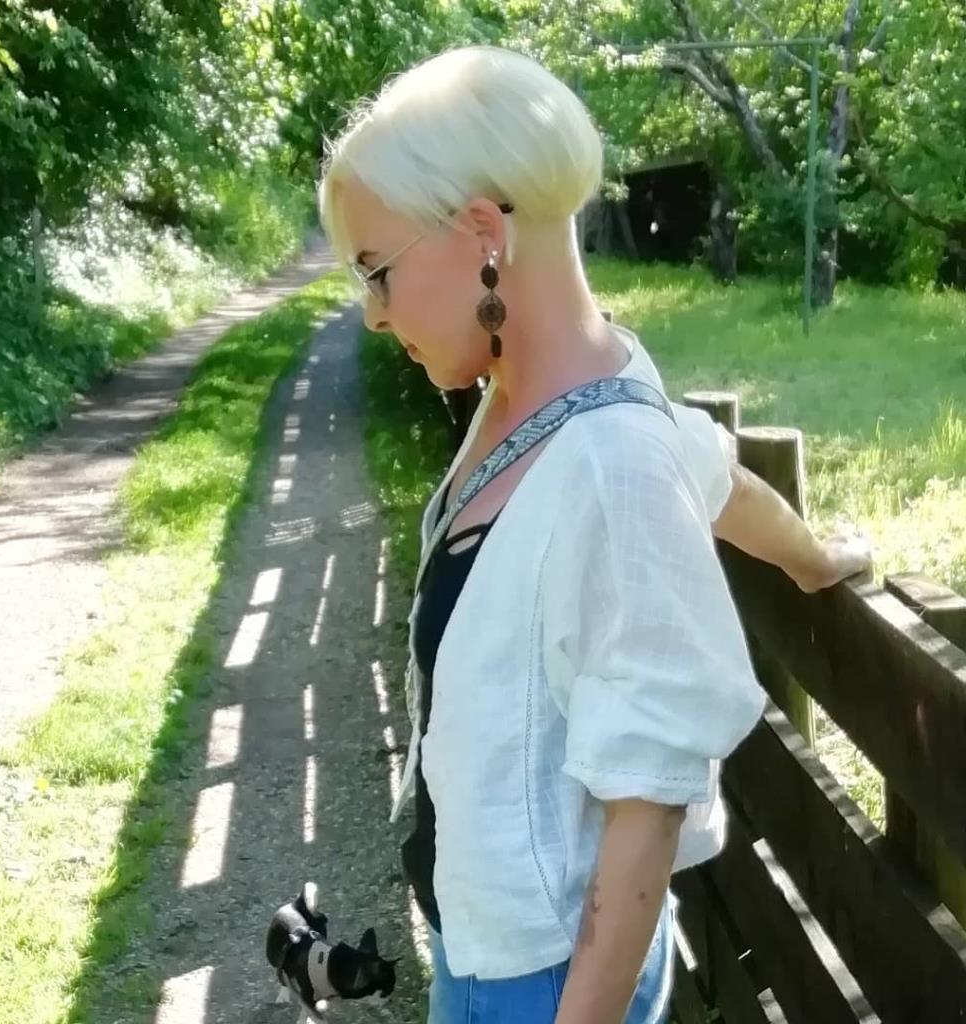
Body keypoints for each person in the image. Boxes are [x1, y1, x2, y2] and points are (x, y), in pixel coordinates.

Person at [317, 45, 872, 1024]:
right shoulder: (559, 395)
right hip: (484, 940)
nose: (372, 315)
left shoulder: (611, 465)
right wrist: (814, 558)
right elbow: (718, 475)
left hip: (544, 981)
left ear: (482, 233)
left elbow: (645, 805)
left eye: (377, 272)